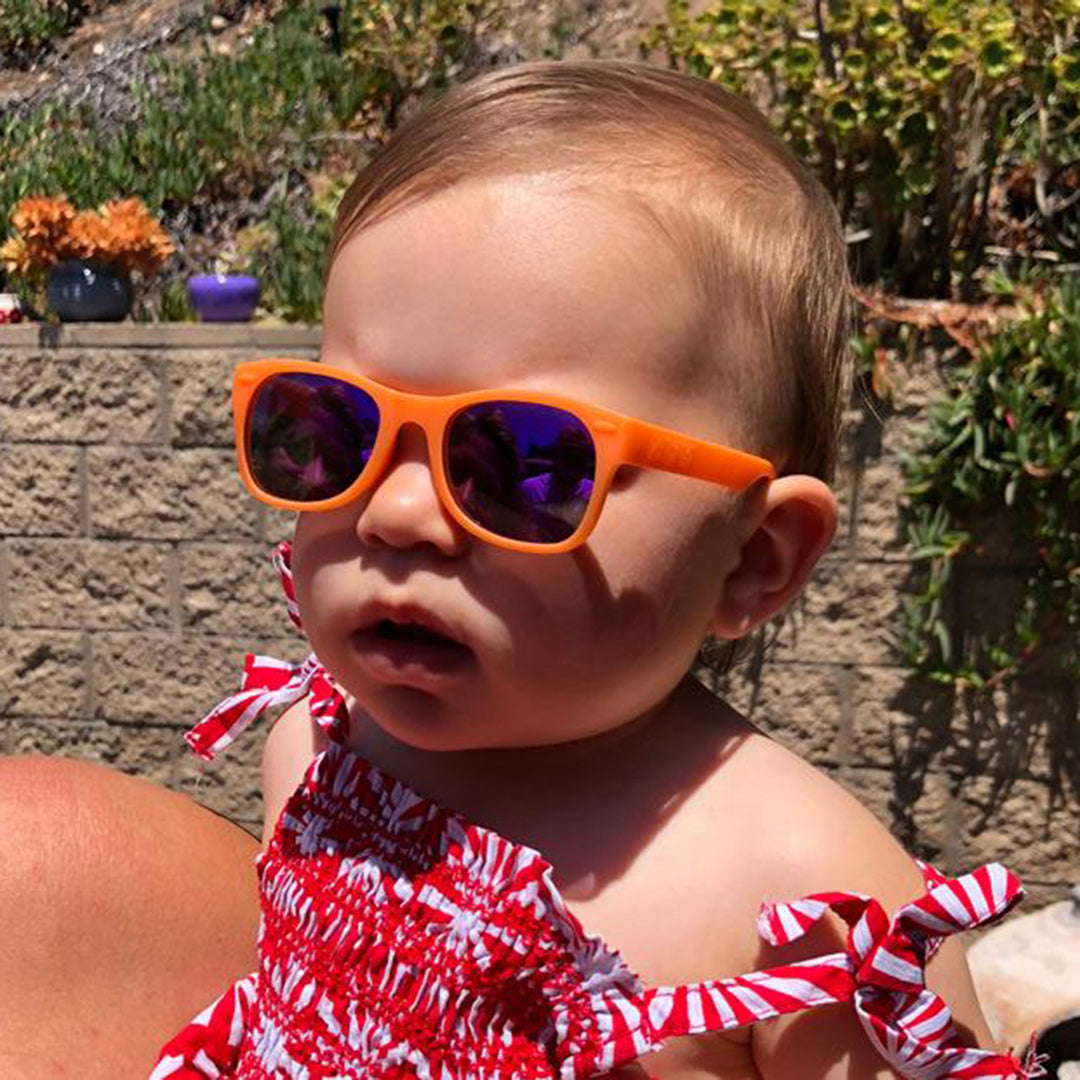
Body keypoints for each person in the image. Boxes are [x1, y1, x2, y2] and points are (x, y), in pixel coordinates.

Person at [0, 59, 1034, 1080]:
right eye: (336, 427)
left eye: (524, 463)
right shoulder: (314, 750)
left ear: (751, 559)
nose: (398, 513)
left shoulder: (806, 915)